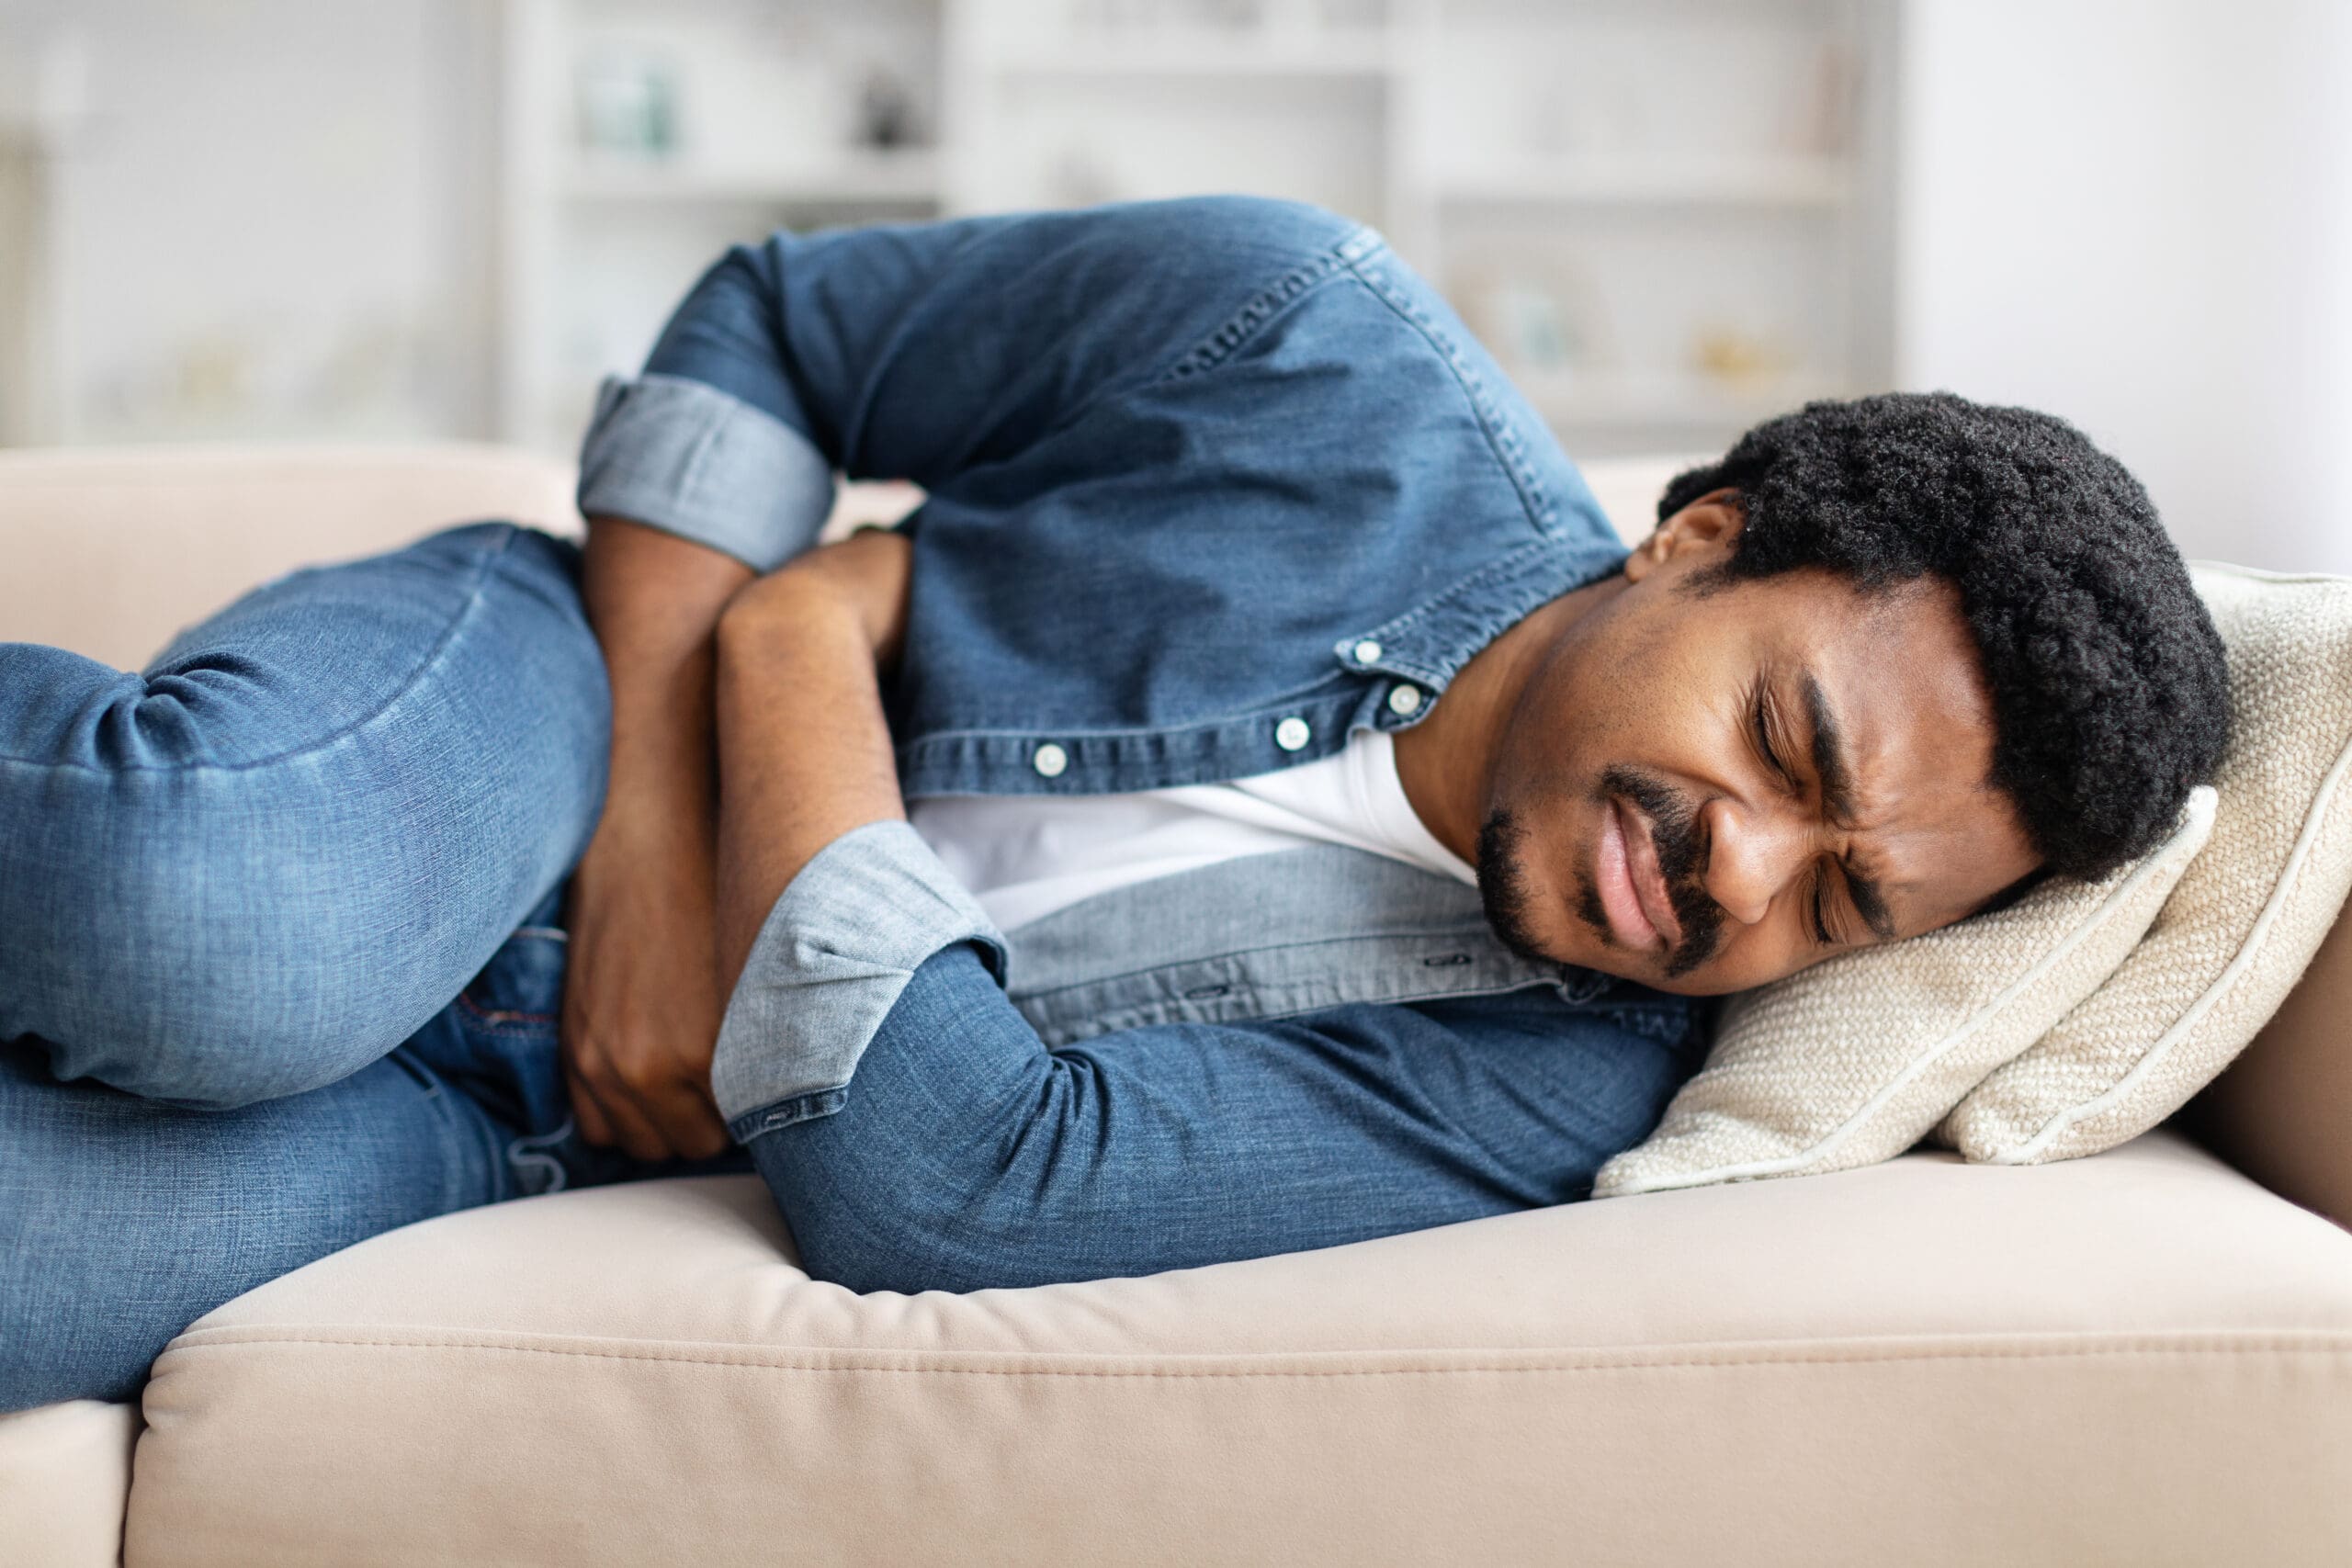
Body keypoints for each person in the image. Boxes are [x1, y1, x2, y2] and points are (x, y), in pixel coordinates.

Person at [0, 195, 2229, 1412]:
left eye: (1836, 906)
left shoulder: (1553, 1080)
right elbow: (772, 329)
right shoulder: (1304, 337)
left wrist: (808, 640)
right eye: (1784, 749)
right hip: (556, 704)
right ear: (1699, 536)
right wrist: (671, 825)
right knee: (213, 920)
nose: (1734, 873)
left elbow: (940, 1176)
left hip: (532, 1124)